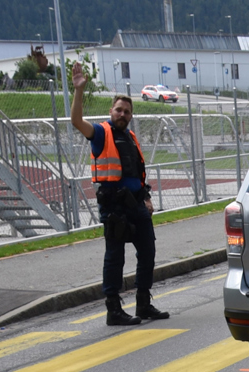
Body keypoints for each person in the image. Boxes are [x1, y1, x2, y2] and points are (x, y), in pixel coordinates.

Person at [70, 62, 168, 325]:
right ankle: (113, 310)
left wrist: (146, 199)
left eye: (127, 111)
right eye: (118, 110)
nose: (122, 114)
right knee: (115, 257)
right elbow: (77, 122)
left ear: (131, 115)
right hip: (115, 207)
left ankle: (143, 304)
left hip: (136, 204)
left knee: (147, 252)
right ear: (110, 111)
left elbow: (137, 174)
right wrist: (79, 91)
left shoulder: (131, 138)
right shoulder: (101, 133)